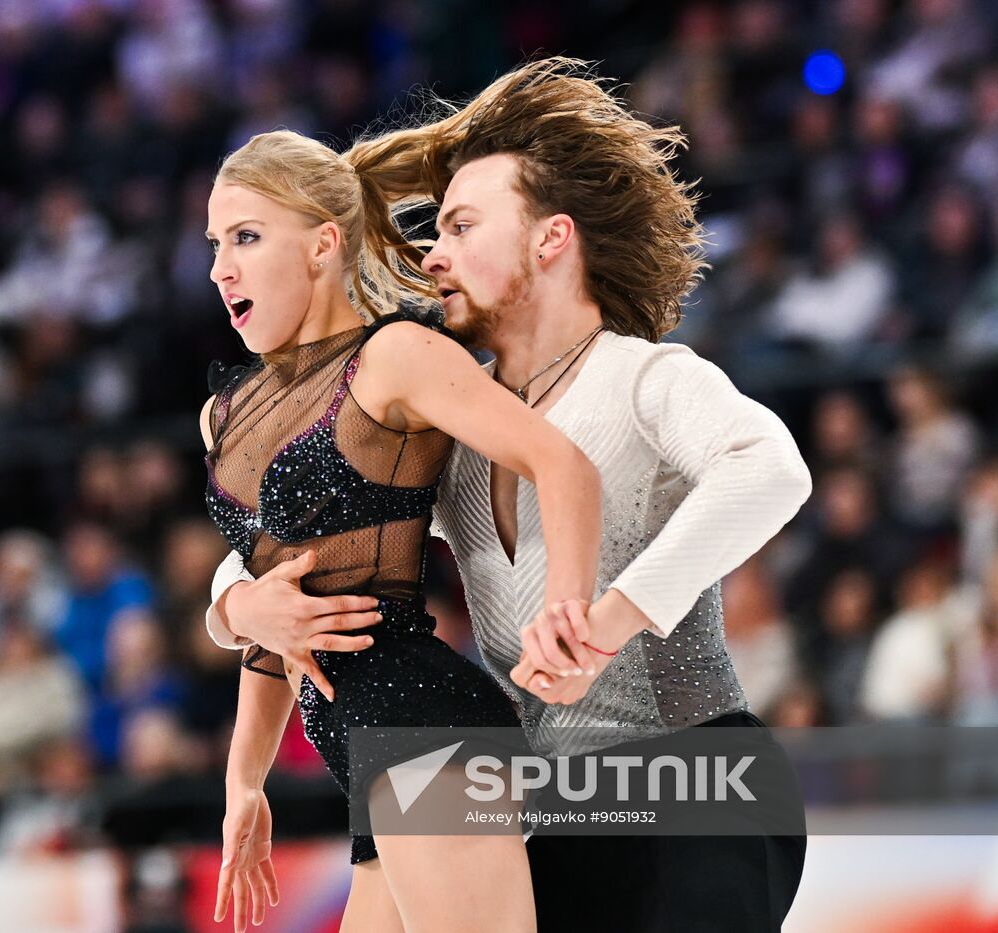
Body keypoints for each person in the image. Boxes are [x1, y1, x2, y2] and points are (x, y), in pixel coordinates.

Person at [207, 58, 813, 931]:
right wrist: (237, 606)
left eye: (459, 225)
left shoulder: (644, 376)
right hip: (558, 800)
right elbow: (283, 530)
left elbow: (771, 469)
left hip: (698, 778)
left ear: (550, 238)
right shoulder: (456, 428)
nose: (431, 253)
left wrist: (607, 618)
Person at [201, 128, 604, 932]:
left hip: (425, 725)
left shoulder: (393, 358)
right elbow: (278, 606)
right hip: (367, 746)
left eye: (246, 237)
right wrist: (244, 782)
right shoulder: (224, 414)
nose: (221, 267)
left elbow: (563, 466)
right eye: (215, 244)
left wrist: (567, 615)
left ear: (322, 245)